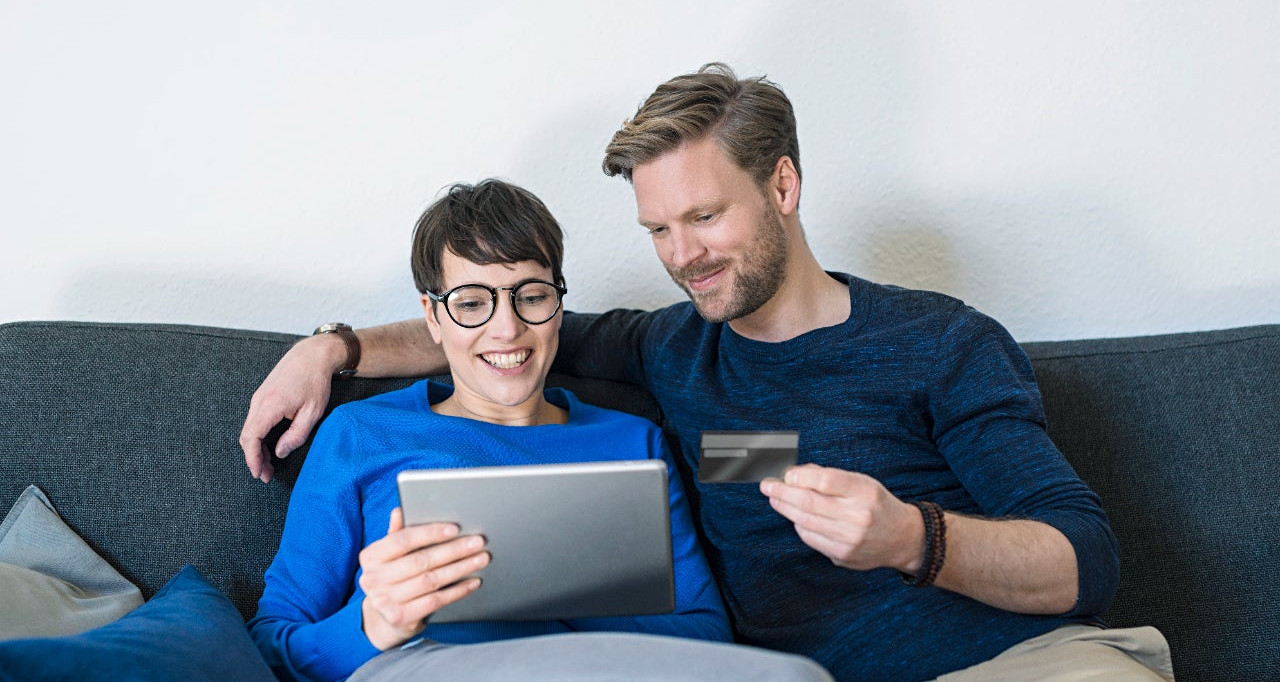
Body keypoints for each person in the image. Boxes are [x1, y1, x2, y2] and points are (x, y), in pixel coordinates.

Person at [240, 65, 1174, 682]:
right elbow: (491, 330)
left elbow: (1086, 560)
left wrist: (910, 537)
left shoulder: (940, 342)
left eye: (704, 216)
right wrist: (336, 347)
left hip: (1010, 662)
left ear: (782, 186)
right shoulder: (670, 352)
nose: (682, 256)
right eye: (656, 231)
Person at [246, 179, 833, 682]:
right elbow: (272, 642)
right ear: (432, 316)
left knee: (798, 676)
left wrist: (562, 594)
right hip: (426, 665)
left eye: (531, 296)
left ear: (558, 305)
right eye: (472, 303)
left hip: (606, 669)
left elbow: (704, 634)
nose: (507, 329)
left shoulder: (634, 441)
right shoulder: (361, 434)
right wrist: (375, 623)